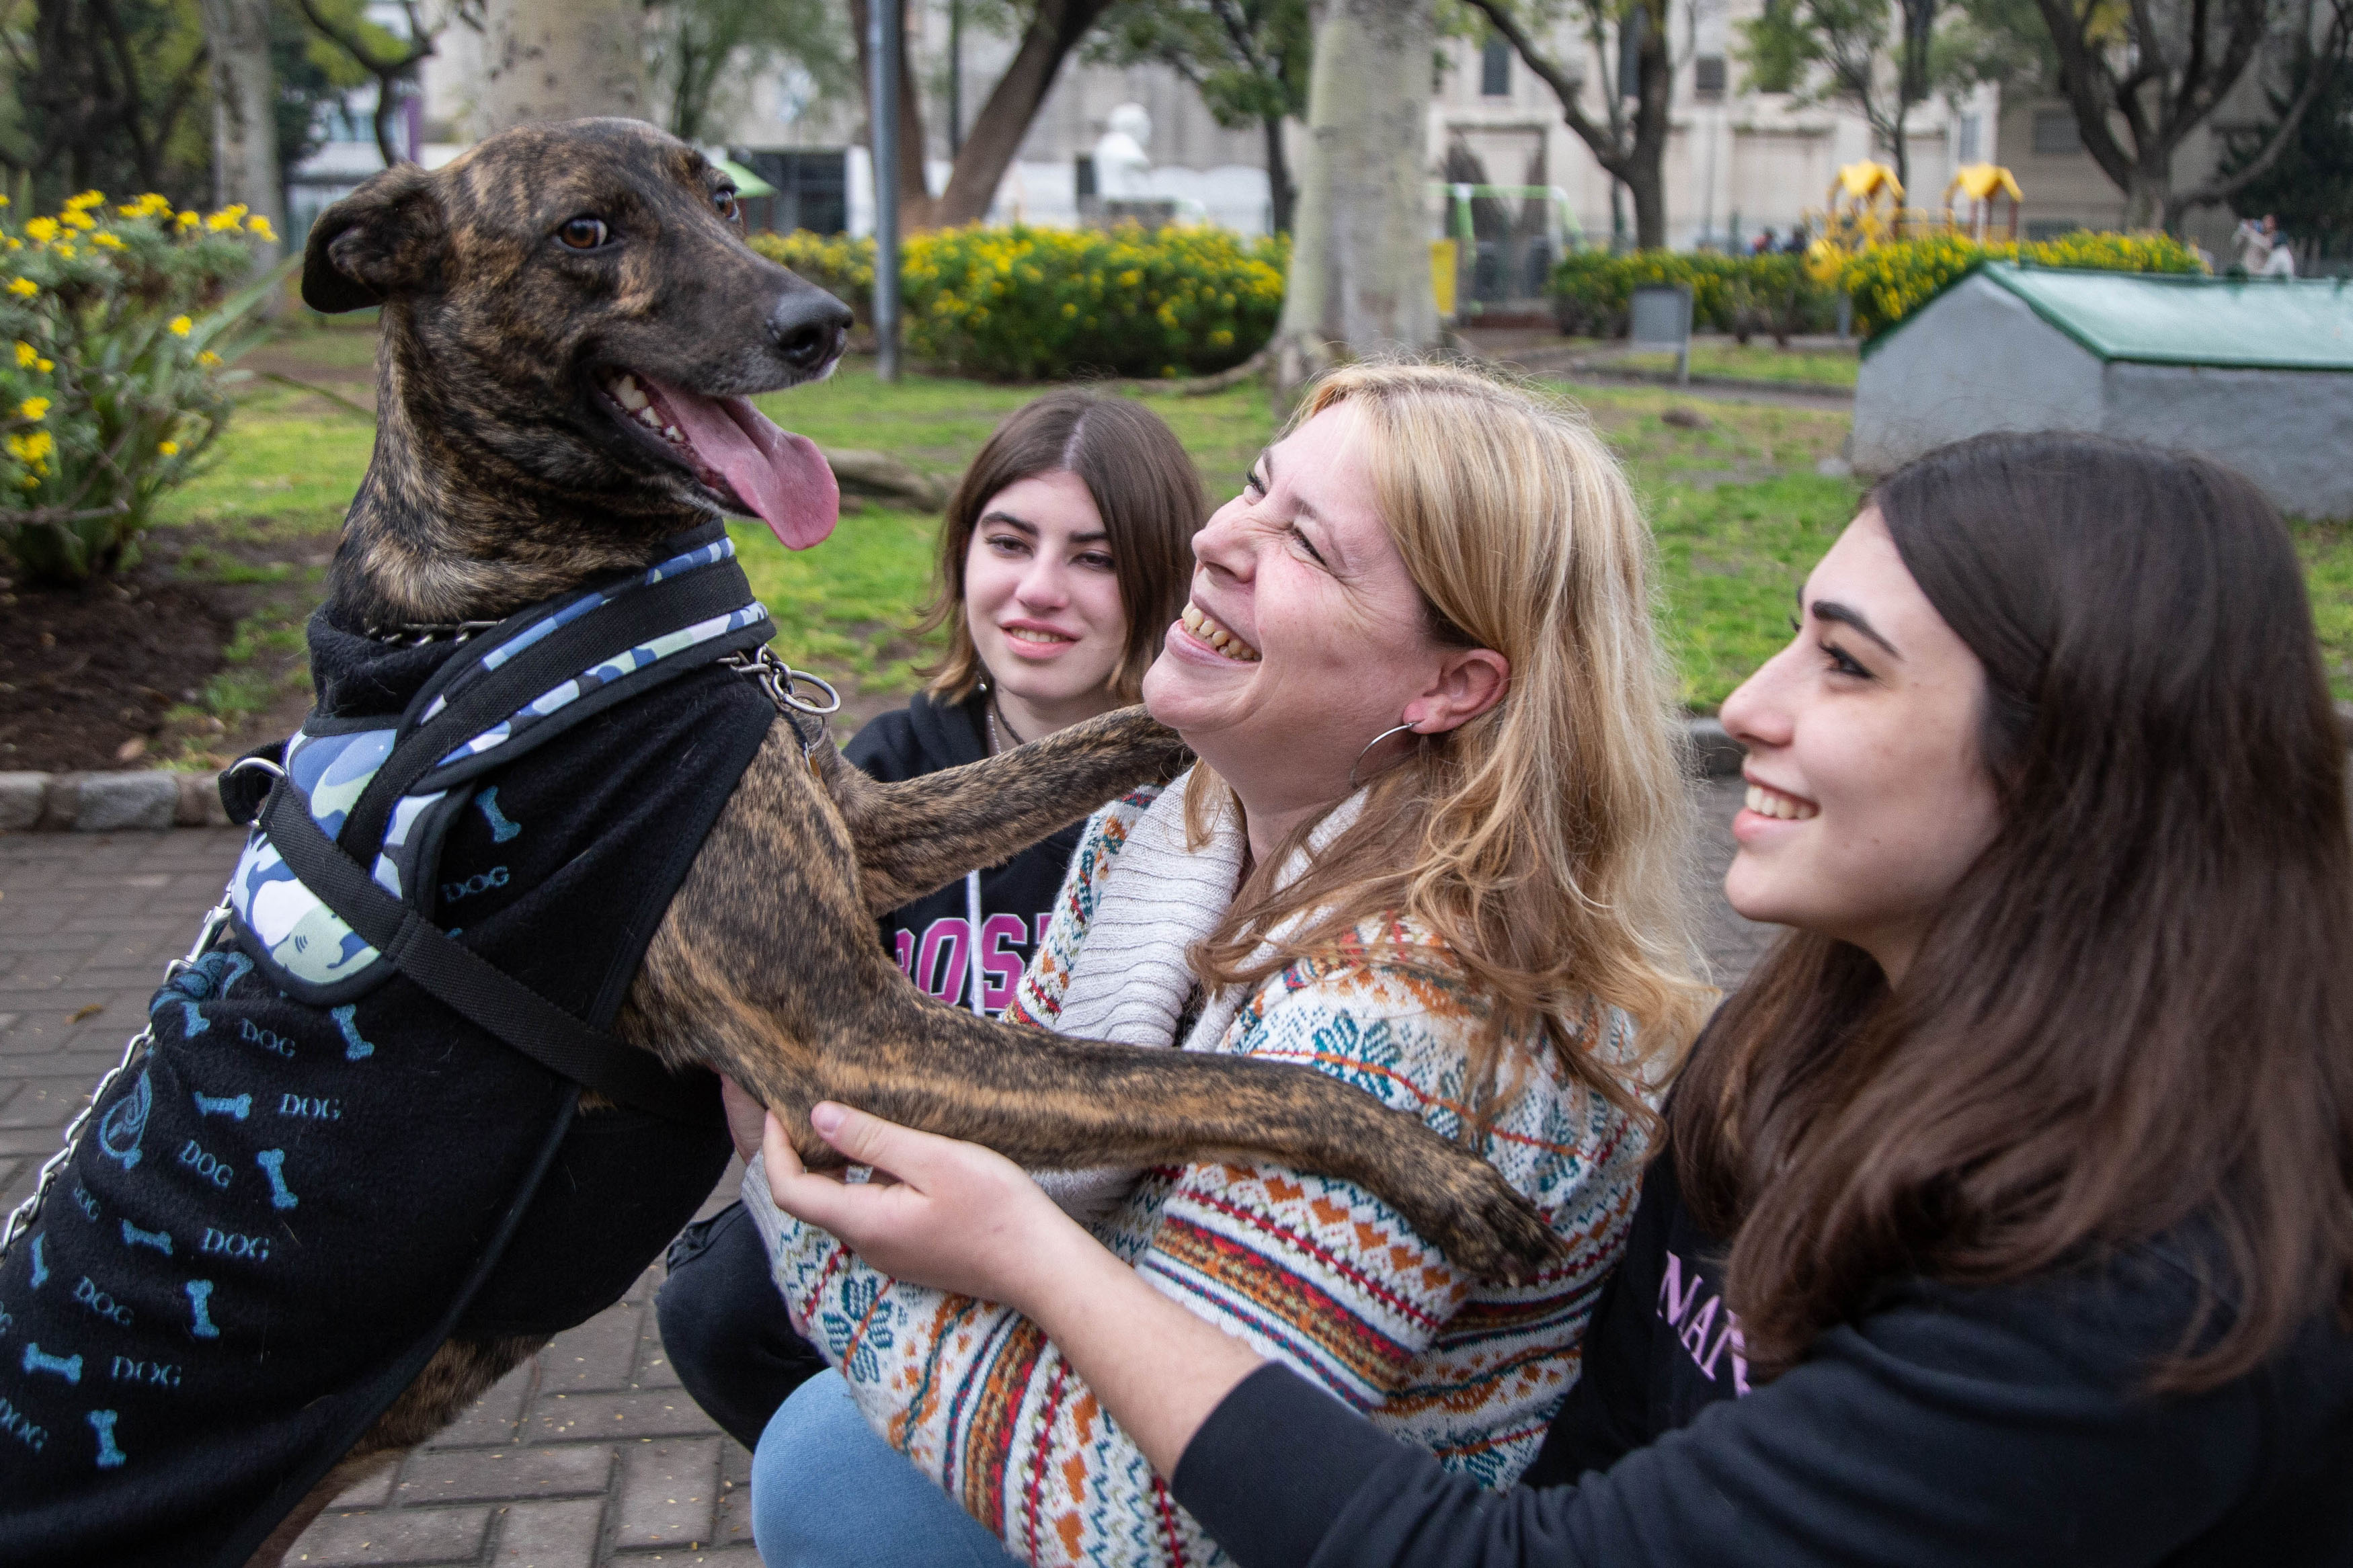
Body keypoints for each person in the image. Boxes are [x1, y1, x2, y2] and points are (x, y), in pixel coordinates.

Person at [763, 430, 2353, 1565]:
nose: (1744, 706)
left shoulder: (2131, 1303)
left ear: (2074, 767)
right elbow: (1618, 1416)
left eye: (1846, 667)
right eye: (1254, 485)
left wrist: (962, 1246)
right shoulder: (1809, 1034)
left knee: (815, 1444)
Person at [745, 362, 1712, 1567]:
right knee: (815, 1436)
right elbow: (1003, 1147)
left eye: (1304, 543)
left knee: (825, 1468)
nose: (1213, 539)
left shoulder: (1425, 1024)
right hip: (1109, 1365)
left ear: (1452, 686)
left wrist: (798, 1200)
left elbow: (1155, 1515)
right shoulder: (1166, 832)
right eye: (1254, 489)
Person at [653, 388, 1205, 1451]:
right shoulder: (886, 772)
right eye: (1009, 541)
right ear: (963, 555)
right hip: (898, 1191)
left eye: (1093, 558)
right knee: (717, 1308)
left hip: (1107, 1211)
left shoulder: (1200, 804)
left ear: (1161, 580)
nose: (1039, 589)